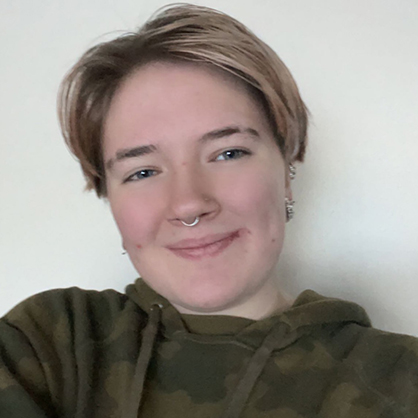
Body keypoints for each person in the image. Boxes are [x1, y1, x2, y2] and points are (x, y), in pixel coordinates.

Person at [0, 4, 417, 418]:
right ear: (110, 197)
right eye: (143, 172)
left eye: (228, 153)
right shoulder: (46, 347)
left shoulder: (399, 380)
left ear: (287, 170)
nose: (188, 204)